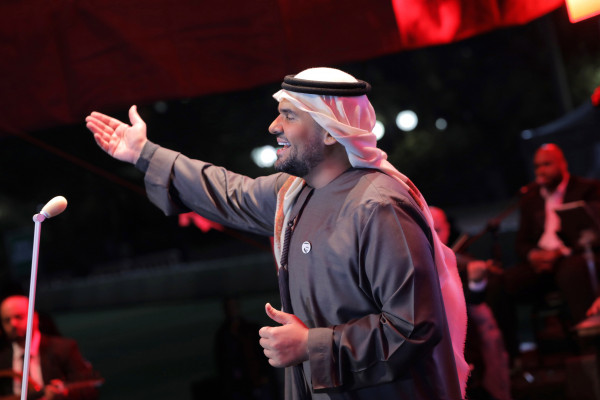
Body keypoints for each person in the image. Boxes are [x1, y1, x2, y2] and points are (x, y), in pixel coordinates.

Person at [86, 67, 469, 399]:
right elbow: (226, 191)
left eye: (288, 115)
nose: (274, 126)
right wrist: (143, 153)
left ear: (330, 132)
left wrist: (310, 346)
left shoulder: (379, 206)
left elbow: (413, 328)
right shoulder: (294, 193)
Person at [513, 143, 600, 325]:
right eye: (537, 166)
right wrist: (533, 255)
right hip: (541, 262)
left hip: (572, 255)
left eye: (547, 164)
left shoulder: (588, 189)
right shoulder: (530, 199)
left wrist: (559, 253)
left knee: (573, 272)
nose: (541, 170)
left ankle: (586, 333)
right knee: (502, 282)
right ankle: (505, 344)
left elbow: (592, 231)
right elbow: (521, 242)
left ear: (562, 164)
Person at [430, 206, 512, 400]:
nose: (434, 237)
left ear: (448, 229)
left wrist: (477, 283)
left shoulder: (462, 259)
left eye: (438, 230)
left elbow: (472, 301)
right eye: (428, 230)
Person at [0, 295, 101, 400]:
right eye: (7, 320)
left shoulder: (64, 349)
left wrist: (64, 394)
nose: (13, 324)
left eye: (19, 317)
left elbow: (89, 389)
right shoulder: (2, 359)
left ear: (35, 317)